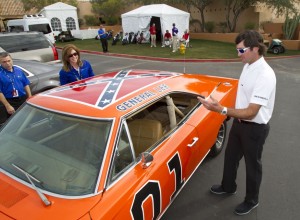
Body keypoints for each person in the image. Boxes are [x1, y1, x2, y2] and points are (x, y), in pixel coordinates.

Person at [197, 30, 276, 216]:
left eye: (241, 50)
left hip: (255, 128)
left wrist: (221, 110)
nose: (237, 54)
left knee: (252, 166)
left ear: (255, 49)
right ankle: (228, 186)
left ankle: (251, 200)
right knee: (231, 157)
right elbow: (243, 98)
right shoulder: (248, 64)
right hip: (240, 124)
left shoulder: (265, 75)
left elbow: (251, 112)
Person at [0, 52, 32, 125]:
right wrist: (7, 106)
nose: (7, 63)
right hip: (10, 101)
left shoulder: (18, 70)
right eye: (4, 62)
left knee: (26, 119)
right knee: (14, 122)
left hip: (22, 98)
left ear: (12, 60)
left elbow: (26, 84)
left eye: (9, 61)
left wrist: (30, 96)